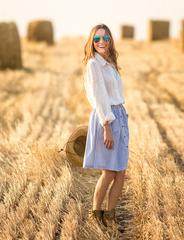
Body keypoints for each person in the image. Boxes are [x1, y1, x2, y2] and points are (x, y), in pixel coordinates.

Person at [82, 24, 129, 229]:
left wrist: (119, 120)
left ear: (110, 41)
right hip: (106, 118)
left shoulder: (110, 63)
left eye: (105, 38)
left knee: (121, 172)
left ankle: (110, 215)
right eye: (97, 39)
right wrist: (107, 127)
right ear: (92, 42)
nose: (101, 42)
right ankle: (96, 213)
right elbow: (100, 98)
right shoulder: (93, 64)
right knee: (109, 172)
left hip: (120, 116)